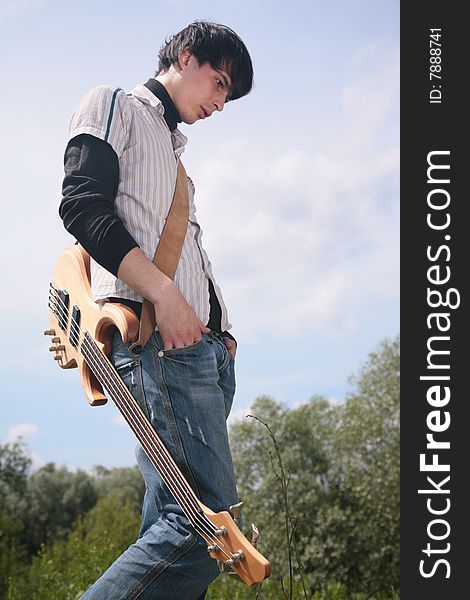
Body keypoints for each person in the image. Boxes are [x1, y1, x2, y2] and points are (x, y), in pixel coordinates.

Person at [59, 20, 254, 599]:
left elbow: (185, 253)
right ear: (185, 57)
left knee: (173, 529)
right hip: (162, 346)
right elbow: (81, 208)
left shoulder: (176, 157)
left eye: (227, 96)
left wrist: (221, 331)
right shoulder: (114, 104)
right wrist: (166, 298)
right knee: (204, 530)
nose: (219, 103)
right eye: (218, 83)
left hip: (203, 354)